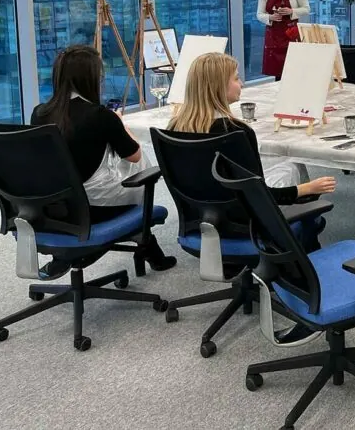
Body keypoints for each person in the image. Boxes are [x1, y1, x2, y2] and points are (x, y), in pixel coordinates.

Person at [31, 45, 176, 277]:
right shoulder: (101, 116)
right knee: (141, 166)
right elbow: (135, 155)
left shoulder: (39, 113)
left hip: (50, 209)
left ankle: (64, 255)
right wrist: (122, 125)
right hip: (93, 210)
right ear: (91, 79)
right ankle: (145, 240)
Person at [167, 52, 336, 249]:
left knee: (287, 169)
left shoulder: (173, 128)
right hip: (246, 226)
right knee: (292, 171)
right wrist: (306, 189)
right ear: (218, 86)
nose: (242, 84)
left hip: (200, 223)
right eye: (237, 78)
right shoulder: (235, 132)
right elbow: (260, 194)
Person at [256, 0, 310, 81]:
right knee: (278, 73)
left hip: (291, 34)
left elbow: (306, 8)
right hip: (273, 36)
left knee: (294, 70)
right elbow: (259, 14)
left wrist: (292, 11)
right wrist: (271, 17)